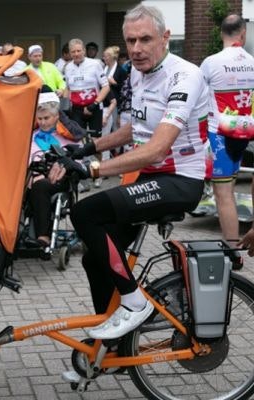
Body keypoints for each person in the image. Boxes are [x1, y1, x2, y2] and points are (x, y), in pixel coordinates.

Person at [50, 4, 208, 341]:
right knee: (95, 260)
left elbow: (157, 148)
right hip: (153, 178)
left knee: (86, 212)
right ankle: (116, 345)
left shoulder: (185, 75)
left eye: (145, 39)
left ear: (165, 38)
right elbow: (135, 129)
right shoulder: (137, 71)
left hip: (182, 181)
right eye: (130, 41)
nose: (136, 49)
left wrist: (92, 169)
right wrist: (88, 147)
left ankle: (136, 303)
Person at [200, 15, 254, 247]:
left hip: (220, 134)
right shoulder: (253, 62)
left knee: (224, 195)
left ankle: (233, 251)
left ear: (222, 33)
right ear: (243, 34)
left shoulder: (211, 62)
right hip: (250, 129)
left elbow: (199, 102)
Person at [27, 92, 84, 247]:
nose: (43, 122)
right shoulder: (32, 136)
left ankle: (43, 236)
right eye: (40, 118)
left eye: (47, 118)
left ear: (56, 116)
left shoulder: (67, 136)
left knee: (40, 186)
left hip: (62, 179)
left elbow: (77, 160)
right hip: (34, 177)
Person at [64, 38, 110, 187]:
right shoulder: (68, 67)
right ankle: (80, 175)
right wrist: (62, 96)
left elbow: (106, 87)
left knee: (96, 142)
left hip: (94, 107)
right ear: (70, 53)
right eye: (73, 52)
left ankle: (98, 174)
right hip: (77, 109)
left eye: (79, 51)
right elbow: (68, 89)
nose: (76, 54)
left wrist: (94, 104)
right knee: (78, 142)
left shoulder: (95, 64)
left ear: (84, 50)